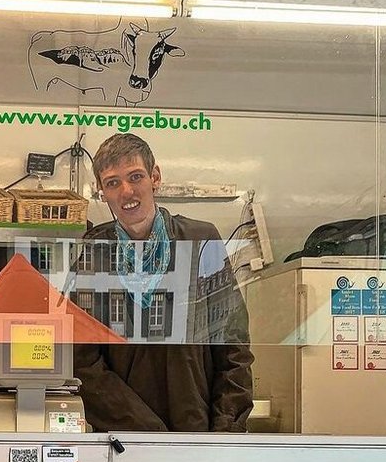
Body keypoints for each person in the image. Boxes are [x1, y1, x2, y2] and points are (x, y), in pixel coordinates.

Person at [72, 132, 254, 432]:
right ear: (103, 192)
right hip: (122, 439)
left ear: (155, 177)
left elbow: (232, 345)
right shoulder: (95, 252)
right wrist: (144, 429)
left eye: (135, 177)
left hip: (196, 433)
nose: (126, 191)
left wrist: (226, 432)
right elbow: (83, 361)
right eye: (113, 182)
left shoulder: (199, 239)